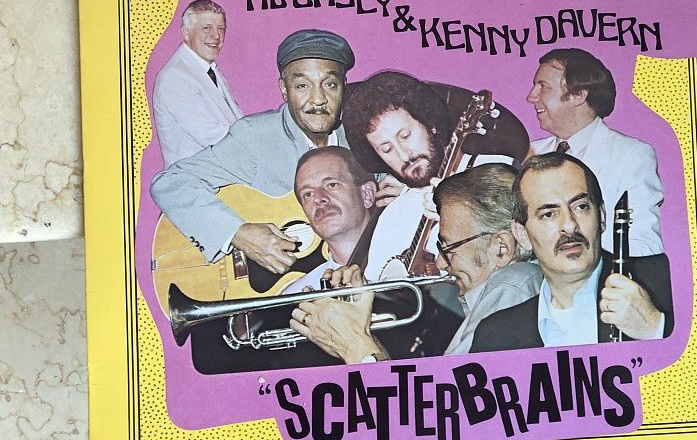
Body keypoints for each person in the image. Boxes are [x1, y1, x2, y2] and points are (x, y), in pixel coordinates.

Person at [150, 28, 355, 273]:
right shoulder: (255, 138)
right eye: (302, 85)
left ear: (343, 87)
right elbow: (170, 183)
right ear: (284, 89)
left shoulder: (363, 138)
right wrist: (237, 233)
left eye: (330, 84)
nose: (318, 99)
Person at [289, 163, 541, 361]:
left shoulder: (514, 282)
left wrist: (354, 343)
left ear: (501, 249)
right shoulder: (506, 291)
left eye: (449, 248)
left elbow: (454, 403)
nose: (440, 263)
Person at [470, 153, 672, 352]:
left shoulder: (669, 282)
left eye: (581, 207)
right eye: (549, 214)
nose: (569, 225)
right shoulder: (494, 338)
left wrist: (655, 328)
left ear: (601, 216)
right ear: (522, 234)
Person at [340, 70, 523, 282]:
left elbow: (525, 249)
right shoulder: (392, 216)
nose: (404, 155)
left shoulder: (497, 169)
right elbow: (380, 292)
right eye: (387, 149)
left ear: (430, 124)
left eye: (405, 136)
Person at [526, 48, 664, 256]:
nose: (531, 96)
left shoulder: (632, 156)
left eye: (543, 86)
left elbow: (643, 247)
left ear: (579, 95)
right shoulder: (531, 153)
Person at [152, 0, 243, 166]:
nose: (216, 36)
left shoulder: (209, 70)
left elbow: (237, 126)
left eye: (221, 28)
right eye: (207, 28)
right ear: (186, 33)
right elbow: (217, 140)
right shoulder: (175, 78)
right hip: (198, 180)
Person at [281, 146, 378, 292]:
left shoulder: (411, 258)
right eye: (308, 194)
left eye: (331, 185)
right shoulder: (297, 295)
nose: (319, 199)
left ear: (367, 194)